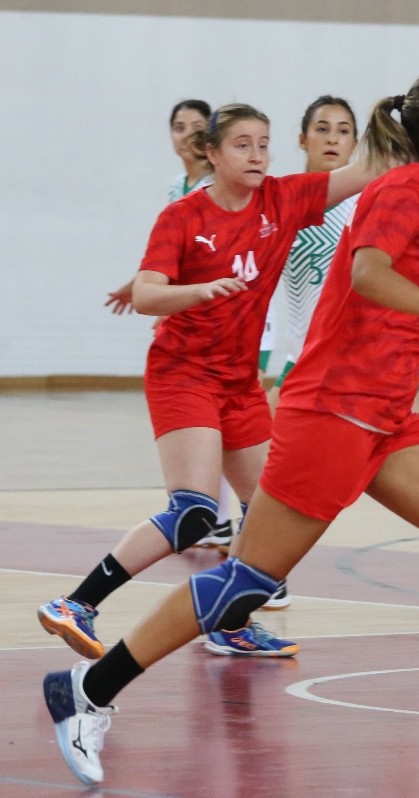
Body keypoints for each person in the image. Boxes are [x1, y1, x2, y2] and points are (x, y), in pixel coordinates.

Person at [43, 72, 419, 786]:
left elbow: (383, 292)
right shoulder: (403, 192)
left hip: (386, 417)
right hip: (333, 416)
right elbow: (368, 272)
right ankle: (87, 691)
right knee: (245, 583)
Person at [38, 101, 379, 662]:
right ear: (213, 153)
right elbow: (146, 294)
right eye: (242, 145)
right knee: (194, 511)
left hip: (239, 383)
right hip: (183, 374)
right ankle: (76, 603)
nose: (257, 155)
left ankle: (230, 623)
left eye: (264, 144)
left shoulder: (284, 199)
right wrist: (197, 291)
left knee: (270, 515)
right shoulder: (184, 217)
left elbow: (368, 169)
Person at [267, 93, 419, 581]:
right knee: (269, 486)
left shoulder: (373, 198)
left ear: (358, 142)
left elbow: (412, 263)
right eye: (323, 129)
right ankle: (257, 581)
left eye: (344, 131)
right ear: (302, 139)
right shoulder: (289, 203)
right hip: (302, 368)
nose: (333, 139)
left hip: (373, 366)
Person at [104, 99, 241, 553]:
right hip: (195, 319)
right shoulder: (177, 190)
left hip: (234, 322)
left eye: (197, 126)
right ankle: (218, 518)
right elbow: (172, 255)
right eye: (178, 126)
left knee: (231, 425)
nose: (187, 134)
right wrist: (137, 287)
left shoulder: (218, 188)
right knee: (213, 427)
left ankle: (226, 520)